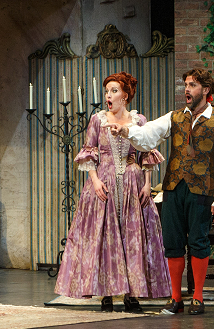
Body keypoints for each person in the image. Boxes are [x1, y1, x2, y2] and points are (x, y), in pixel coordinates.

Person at [110, 68, 214, 315]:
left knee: (198, 242)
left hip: (201, 190)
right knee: (173, 242)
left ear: (206, 90)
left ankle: (197, 297)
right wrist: (126, 130)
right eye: (185, 84)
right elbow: (148, 135)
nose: (187, 89)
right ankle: (176, 298)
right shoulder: (175, 117)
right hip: (174, 188)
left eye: (192, 85)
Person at [53, 72, 171, 312]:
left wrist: (148, 183)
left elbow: (146, 151)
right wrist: (95, 181)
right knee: (105, 238)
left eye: (114, 91)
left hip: (132, 183)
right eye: (107, 91)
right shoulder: (98, 120)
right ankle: (106, 293)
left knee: (132, 238)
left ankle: (132, 294)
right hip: (104, 184)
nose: (109, 95)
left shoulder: (138, 120)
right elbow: (89, 151)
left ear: (125, 96)